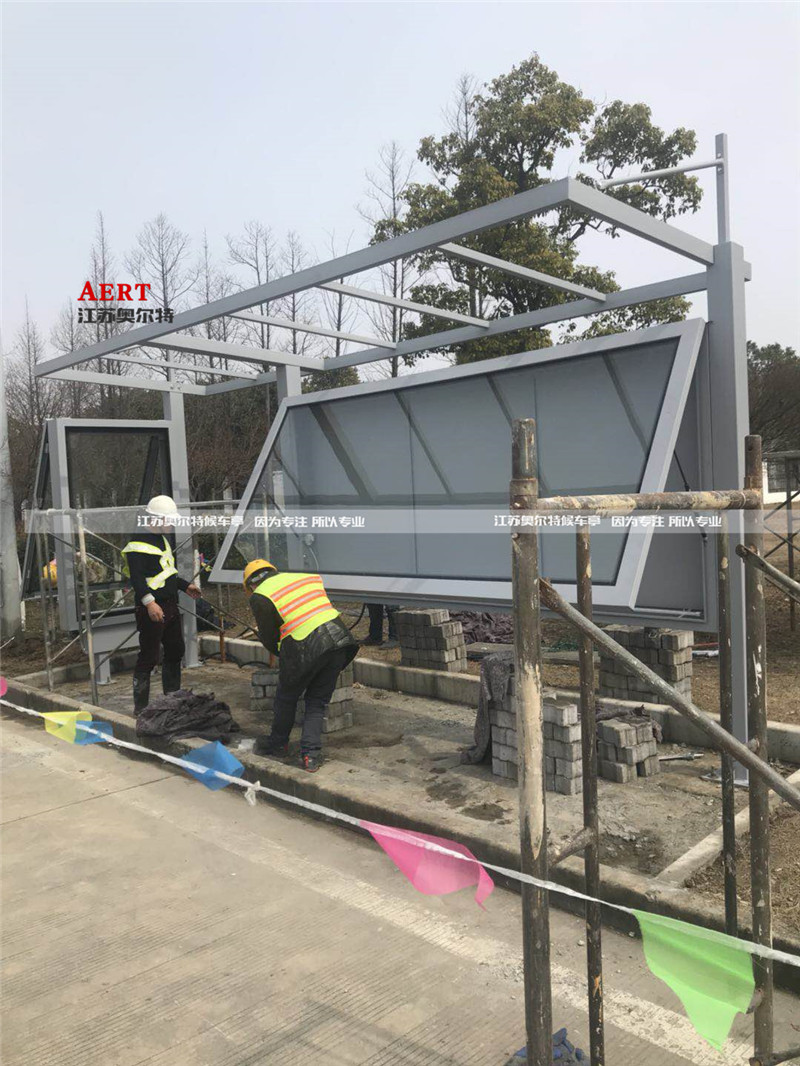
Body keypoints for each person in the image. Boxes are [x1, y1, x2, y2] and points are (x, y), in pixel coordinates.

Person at [243, 559, 358, 772]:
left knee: (286, 698)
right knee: (316, 701)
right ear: (273, 571)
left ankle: (278, 745)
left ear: (250, 585)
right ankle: (310, 756)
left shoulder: (260, 595)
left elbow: (270, 637)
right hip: (339, 643)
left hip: (306, 648)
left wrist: (282, 652)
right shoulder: (304, 578)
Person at [121, 495, 201, 713]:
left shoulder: (162, 540)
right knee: (149, 656)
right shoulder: (137, 544)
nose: (172, 524)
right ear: (156, 518)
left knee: (175, 650)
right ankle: (141, 708)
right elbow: (137, 580)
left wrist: (185, 586)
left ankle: (172, 700)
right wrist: (150, 604)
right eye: (169, 519)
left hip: (170, 605)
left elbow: (166, 573)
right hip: (152, 608)